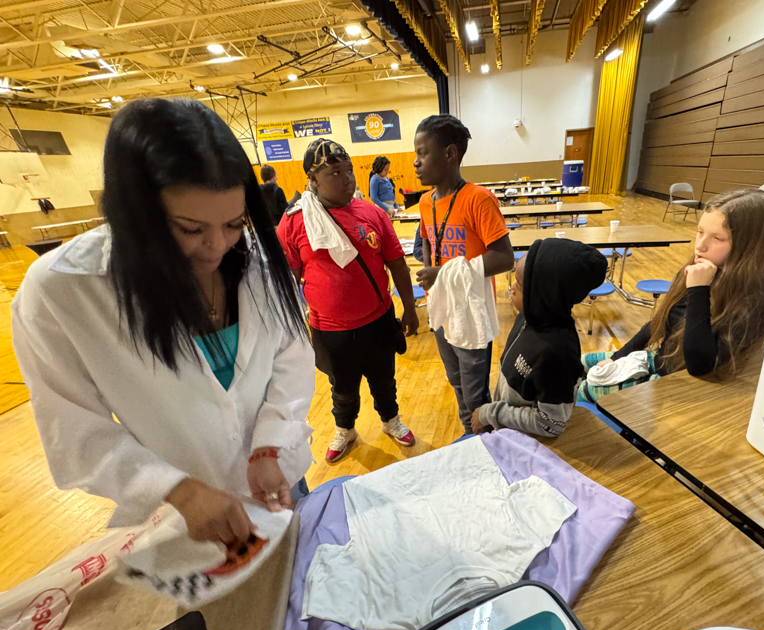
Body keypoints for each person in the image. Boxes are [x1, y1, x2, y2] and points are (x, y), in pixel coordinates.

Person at [12, 98, 314, 547]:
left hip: (274, 479)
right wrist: (178, 489)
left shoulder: (252, 261)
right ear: (136, 215)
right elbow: (73, 428)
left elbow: (291, 355)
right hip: (178, 515)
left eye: (234, 223)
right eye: (191, 229)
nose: (217, 246)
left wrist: (270, 444)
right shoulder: (63, 290)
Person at [278, 139, 419, 463]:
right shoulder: (295, 221)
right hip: (329, 329)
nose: (347, 179)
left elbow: (397, 262)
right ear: (313, 180)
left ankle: (390, 421)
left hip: (378, 319)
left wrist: (410, 307)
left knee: (384, 379)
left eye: (349, 171)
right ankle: (345, 430)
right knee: (341, 387)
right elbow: (288, 277)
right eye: (335, 173)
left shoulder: (371, 213)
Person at [578, 188, 764, 402]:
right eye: (700, 231)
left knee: (582, 392)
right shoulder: (701, 267)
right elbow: (658, 322)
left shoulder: (763, 295)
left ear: (749, 245)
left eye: (718, 238)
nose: (700, 245)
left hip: (683, 381)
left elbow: (699, 365)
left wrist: (699, 291)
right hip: (659, 359)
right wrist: (615, 358)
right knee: (571, 363)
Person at [414, 114, 515, 436]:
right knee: (456, 381)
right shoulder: (425, 201)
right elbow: (429, 241)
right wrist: (432, 270)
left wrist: (442, 272)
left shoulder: (478, 199)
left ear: (449, 153)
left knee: (474, 389)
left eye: (422, 153)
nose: (415, 162)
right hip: (441, 308)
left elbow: (504, 258)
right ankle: (468, 433)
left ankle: (483, 438)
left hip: (470, 311)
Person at [471, 239, 607, 437]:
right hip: (507, 430)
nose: (512, 289)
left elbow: (551, 423)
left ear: (544, 295)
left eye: (519, 284)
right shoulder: (527, 317)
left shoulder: (557, 352)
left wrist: (490, 413)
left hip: (529, 443)